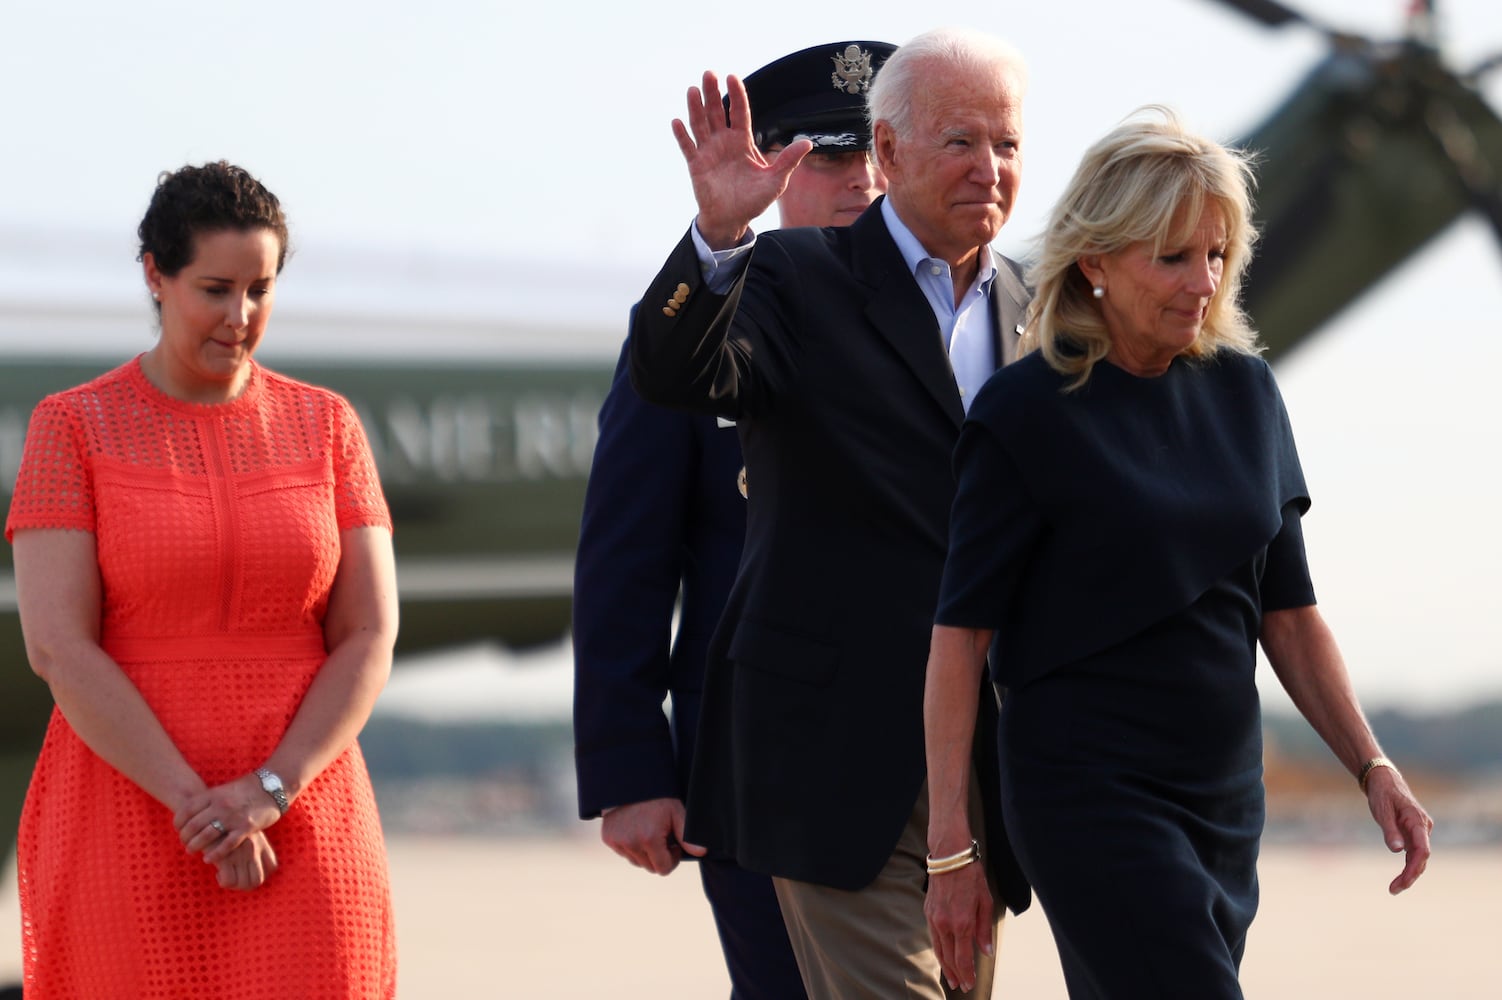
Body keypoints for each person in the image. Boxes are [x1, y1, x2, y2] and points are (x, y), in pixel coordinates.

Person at [921, 107, 1434, 999]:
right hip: (1087, 794)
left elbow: (1290, 612)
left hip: (1225, 802)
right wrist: (951, 848)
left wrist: (1372, 764)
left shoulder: (1246, 392)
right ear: (1095, 262)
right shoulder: (1023, 413)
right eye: (1172, 257)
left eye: (1217, 254)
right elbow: (958, 641)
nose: (1203, 281)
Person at [626, 28, 1033, 999]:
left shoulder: (1037, 303)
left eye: (1006, 144)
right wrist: (719, 238)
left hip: (984, 756)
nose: (987, 168)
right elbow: (672, 372)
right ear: (887, 155)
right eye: (957, 143)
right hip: (832, 752)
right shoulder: (791, 278)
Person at [6, 161, 398, 998]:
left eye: (261, 289)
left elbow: (368, 634)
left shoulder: (329, 426)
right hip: (128, 809)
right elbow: (57, 645)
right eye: (215, 289)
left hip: (304, 811)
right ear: (155, 274)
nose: (241, 317)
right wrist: (202, 808)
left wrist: (267, 791)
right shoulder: (69, 428)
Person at [573, 39, 894, 999]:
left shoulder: (958, 322)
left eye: (882, 155)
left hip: (926, 754)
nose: (863, 184)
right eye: (831, 158)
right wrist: (632, 767)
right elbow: (626, 557)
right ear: (773, 169)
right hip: (755, 761)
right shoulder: (697, 325)